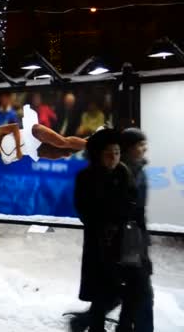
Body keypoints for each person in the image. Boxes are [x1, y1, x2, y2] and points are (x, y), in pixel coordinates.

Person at [73, 129, 141, 332]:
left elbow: (132, 202)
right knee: (101, 291)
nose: (114, 158)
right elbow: (83, 208)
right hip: (98, 243)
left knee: (122, 290)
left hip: (122, 242)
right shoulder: (86, 177)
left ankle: (90, 323)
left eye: (117, 153)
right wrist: (104, 224)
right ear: (98, 155)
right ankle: (93, 326)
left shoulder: (124, 173)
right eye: (108, 153)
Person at [120, 128, 154, 332]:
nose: (144, 148)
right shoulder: (123, 172)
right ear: (129, 148)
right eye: (140, 145)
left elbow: (140, 213)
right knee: (142, 293)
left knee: (133, 294)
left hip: (136, 239)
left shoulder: (138, 169)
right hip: (127, 242)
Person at [0, 104, 87, 164]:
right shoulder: (5, 158)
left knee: (62, 142)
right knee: (64, 153)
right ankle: (90, 141)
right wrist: (18, 152)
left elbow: (15, 127)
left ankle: (89, 143)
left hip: (33, 133)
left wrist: (17, 148)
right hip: (36, 150)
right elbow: (20, 156)